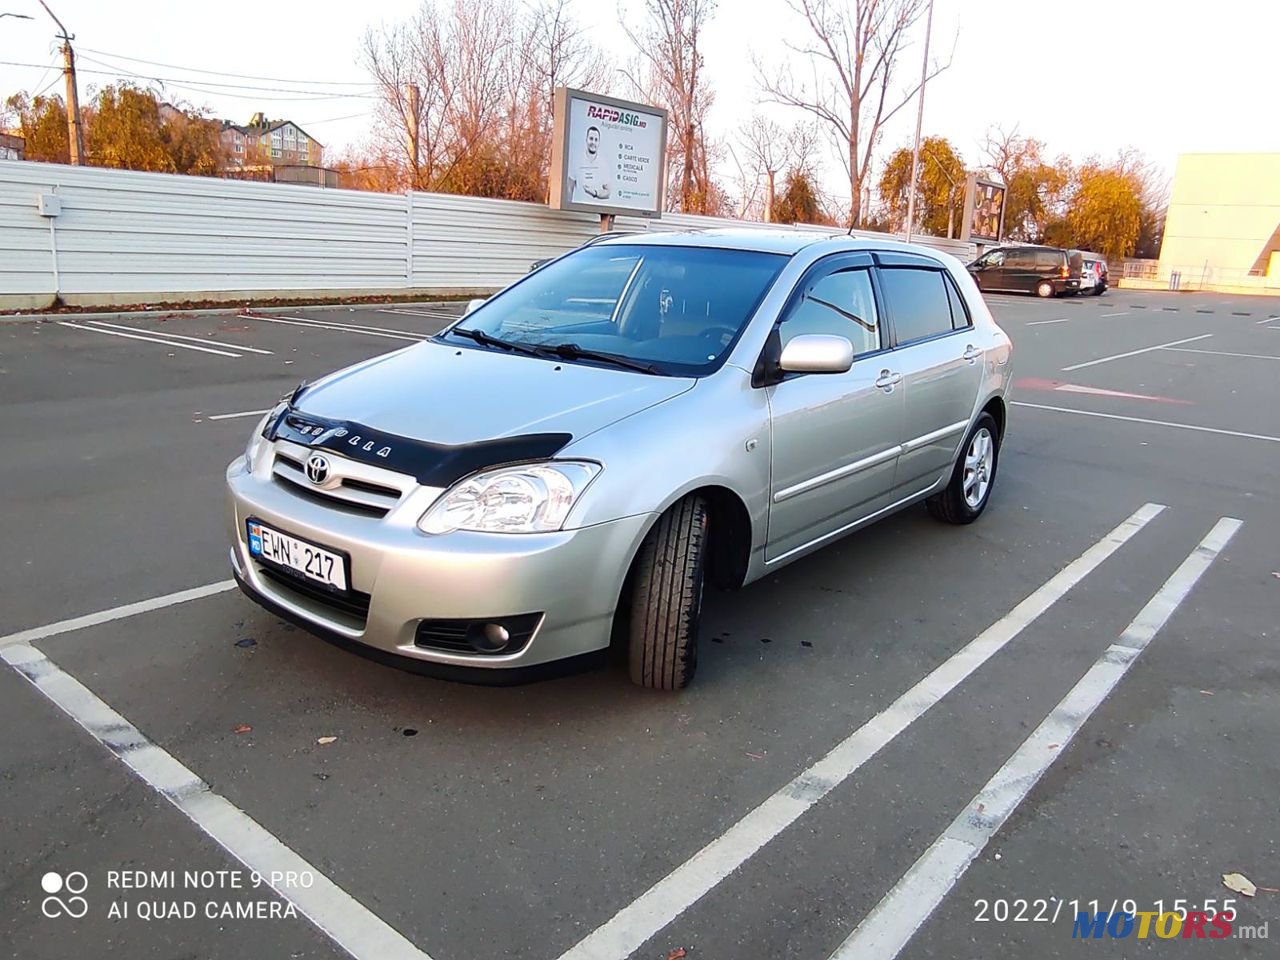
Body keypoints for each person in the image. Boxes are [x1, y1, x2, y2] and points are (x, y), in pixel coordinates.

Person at [568, 125, 611, 202]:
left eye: (596, 140)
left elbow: (608, 192)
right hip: (578, 207)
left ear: (599, 142)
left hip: (596, 208)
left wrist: (595, 193)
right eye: (591, 138)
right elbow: (569, 188)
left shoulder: (603, 164)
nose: (593, 142)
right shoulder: (576, 160)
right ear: (586, 139)